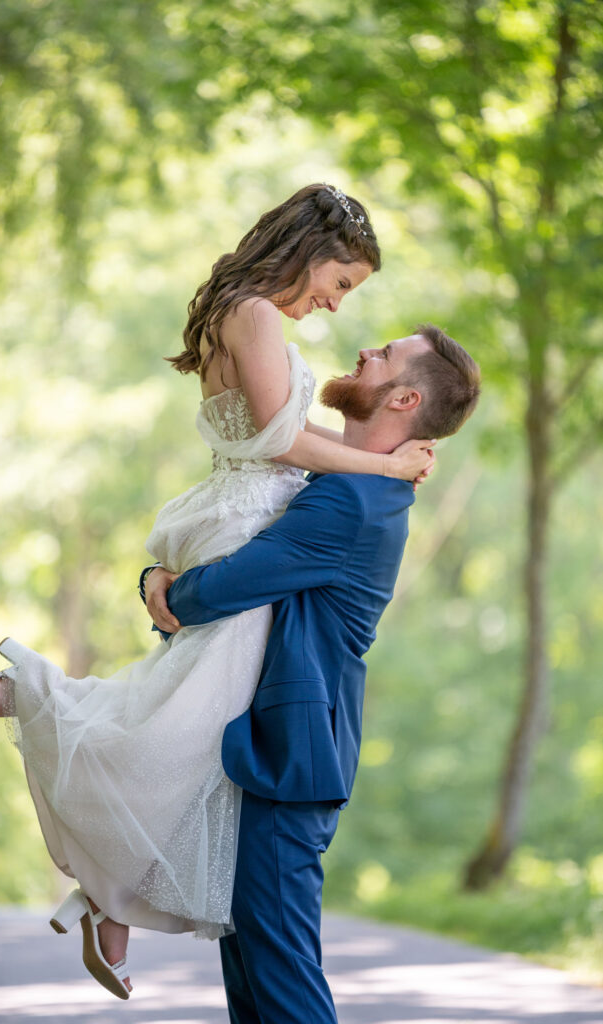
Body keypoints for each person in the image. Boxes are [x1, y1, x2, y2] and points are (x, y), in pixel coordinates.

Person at [0, 184, 435, 1000]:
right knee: (180, 723)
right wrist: (384, 463)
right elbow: (280, 438)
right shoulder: (257, 315)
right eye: (340, 282)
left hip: (234, 511)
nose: (336, 303)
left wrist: (374, 466)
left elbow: (282, 431)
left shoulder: (238, 313)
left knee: (190, 722)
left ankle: (111, 894)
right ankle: (34, 703)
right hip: (244, 518)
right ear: (311, 250)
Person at [145, 324, 481, 1024]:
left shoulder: (350, 502)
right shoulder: (347, 485)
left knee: (283, 984)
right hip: (275, 753)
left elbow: (214, 592)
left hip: (290, 757)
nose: (365, 352)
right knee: (255, 983)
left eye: (384, 355)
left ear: (405, 399)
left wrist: (158, 583)